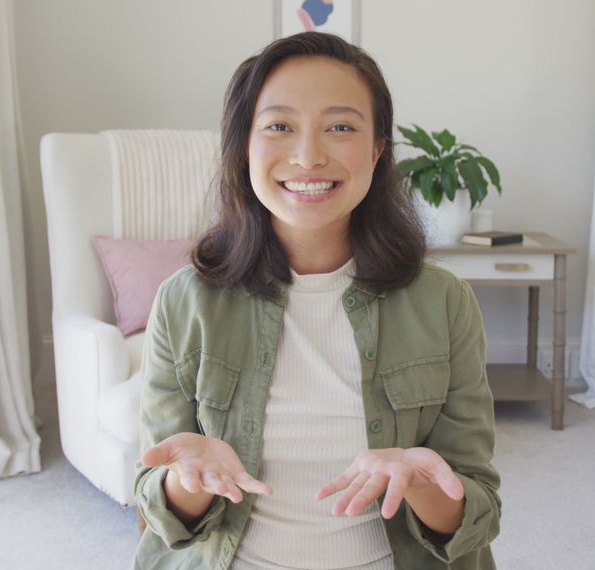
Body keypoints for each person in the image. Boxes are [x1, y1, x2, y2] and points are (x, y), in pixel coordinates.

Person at [133, 31, 501, 570]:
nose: (308, 156)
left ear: (377, 151)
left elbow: (478, 514)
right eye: (279, 126)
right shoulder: (183, 302)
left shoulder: (444, 302)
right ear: (242, 147)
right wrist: (190, 481)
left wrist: (422, 483)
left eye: (341, 127)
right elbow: (158, 511)